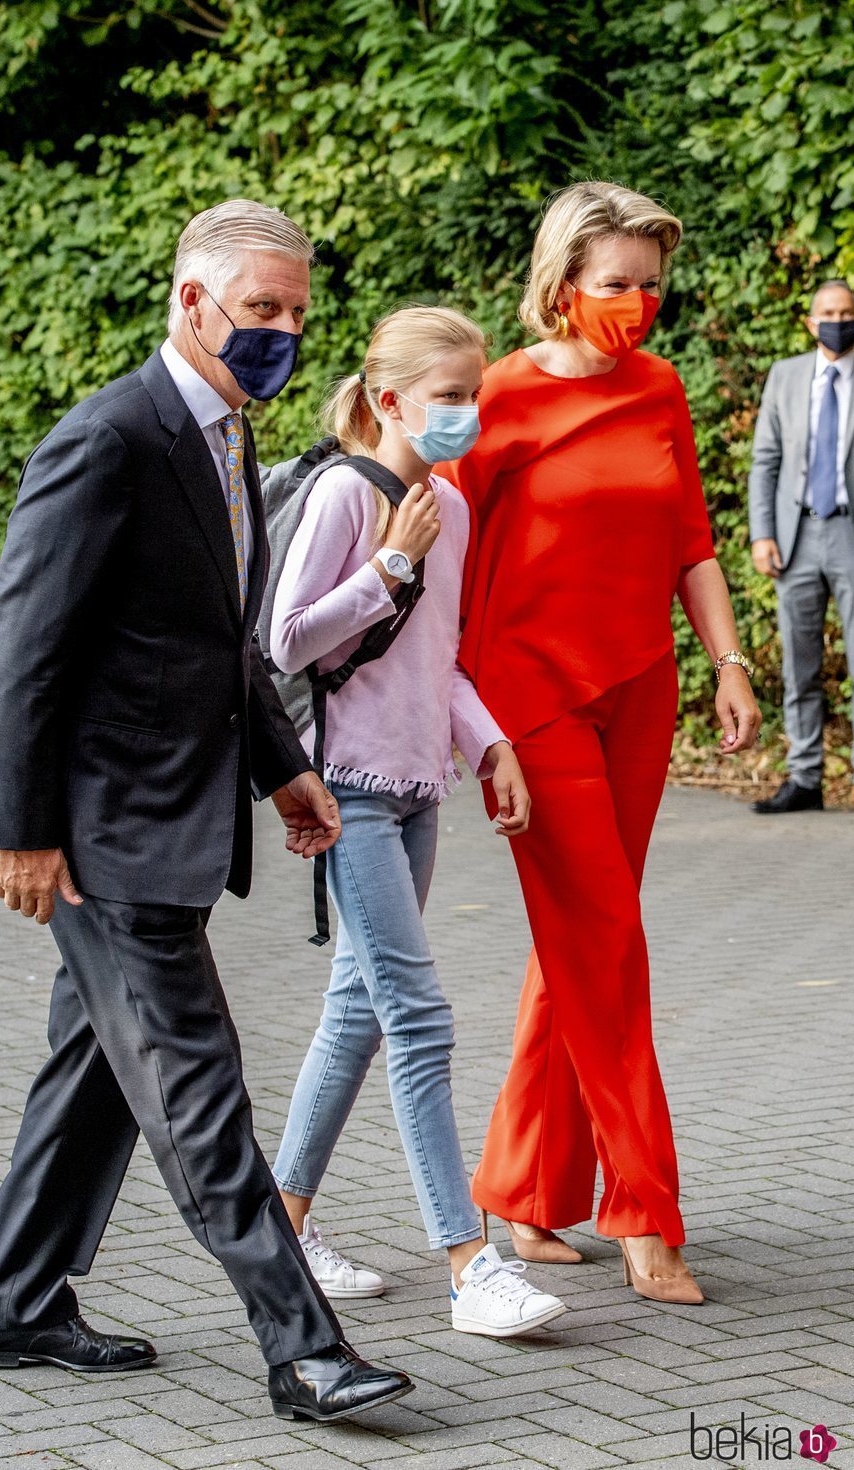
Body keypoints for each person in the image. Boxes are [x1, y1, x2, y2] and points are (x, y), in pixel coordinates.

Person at [0, 199, 413, 1423]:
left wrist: (281, 766)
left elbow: (214, 646)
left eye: (296, 312)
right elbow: (26, 644)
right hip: (104, 827)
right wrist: (19, 825)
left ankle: (14, 1305)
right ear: (191, 301)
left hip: (170, 811)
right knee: (196, 1086)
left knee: (96, 1074)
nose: (280, 330)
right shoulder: (111, 437)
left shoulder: (224, 442)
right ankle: (303, 1350)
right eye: (259, 308)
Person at [446, 181, 762, 1305]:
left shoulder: (659, 387)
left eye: (650, 285)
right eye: (614, 283)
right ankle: (642, 1210)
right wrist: (457, 723)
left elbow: (689, 536)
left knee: (578, 946)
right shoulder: (495, 397)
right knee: (607, 945)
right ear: (562, 286)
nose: (635, 303)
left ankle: (524, 1194)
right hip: (529, 702)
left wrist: (725, 662)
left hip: (638, 694)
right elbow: (431, 542)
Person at [269, 306, 567, 1338]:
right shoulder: (344, 495)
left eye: (471, 396)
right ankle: (466, 1265)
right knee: (416, 1014)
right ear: (386, 399)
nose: (464, 415)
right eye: (447, 398)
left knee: (356, 1012)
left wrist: (489, 746)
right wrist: (385, 567)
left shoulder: (453, 505)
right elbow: (287, 640)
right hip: (344, 786)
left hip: (416, 788)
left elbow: (436, 663)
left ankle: (280, 1230)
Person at [748, 279, 854, 813]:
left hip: (853, 535)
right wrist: (762, 533)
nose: (838, 320)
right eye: (828, 312)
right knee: (800, 666)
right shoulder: (786, 377)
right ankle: (805, 777)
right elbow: (765, 461)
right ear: (811, 322)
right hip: (795, 538)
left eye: (848, 312)